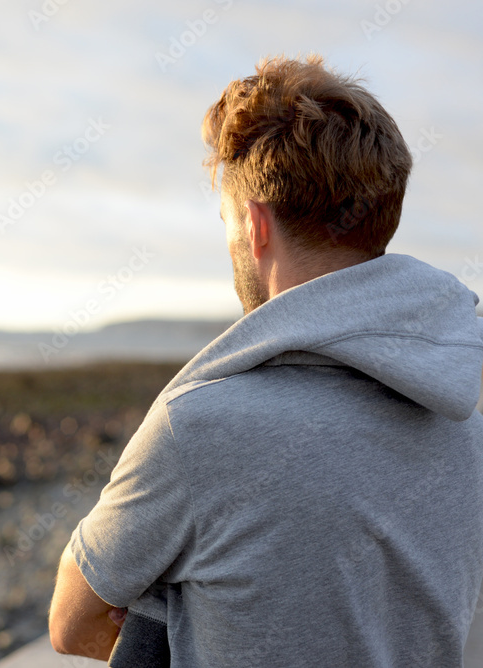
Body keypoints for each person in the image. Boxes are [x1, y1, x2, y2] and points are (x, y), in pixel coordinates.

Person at [48, 54, 483, 667]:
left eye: (226, 220)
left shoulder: (198, 429)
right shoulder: (465, 421)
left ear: (254, 225)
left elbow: (71, 624)